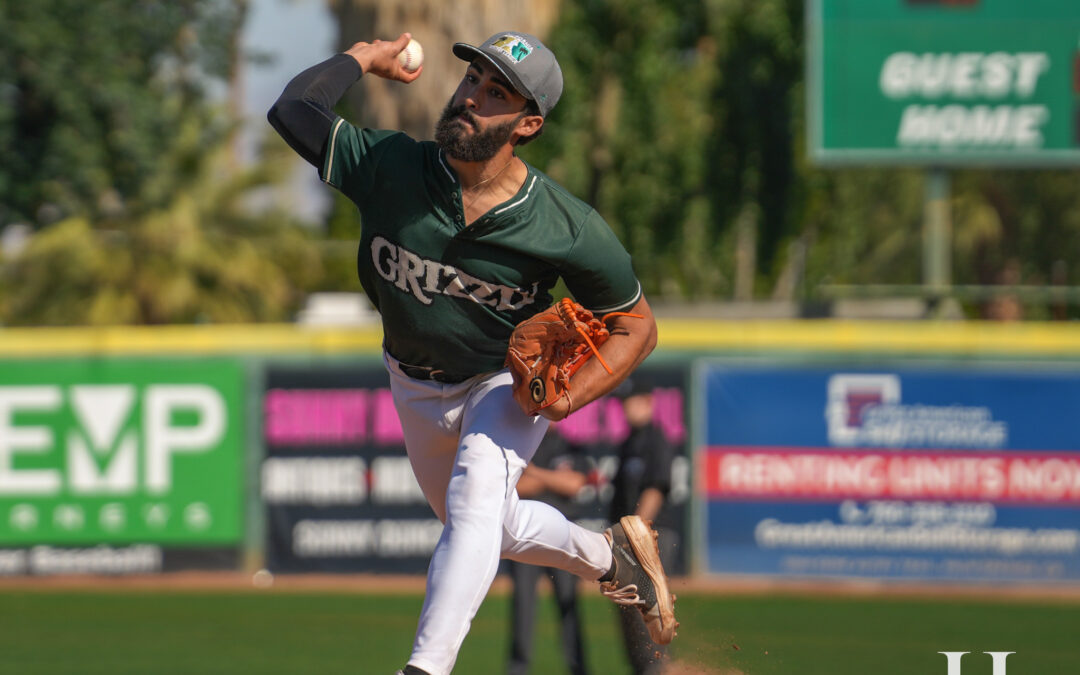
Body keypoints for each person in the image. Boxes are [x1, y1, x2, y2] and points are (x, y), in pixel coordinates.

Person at [268, 31, 675, 675]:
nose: (470, 99)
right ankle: (609, 557)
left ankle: (425, 667)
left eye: (496, 93)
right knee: (485, 524)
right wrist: (361, 59)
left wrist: (570, 394)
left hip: (499, 383)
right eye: (471, 81)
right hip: (412, 380)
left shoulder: (564, 226)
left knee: (475, 499)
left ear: (528, 123)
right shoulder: (394, 167)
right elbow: (293, 110)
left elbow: (638, 326)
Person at [507, 431, 591, 675]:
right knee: (523, 605)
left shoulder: (569, 445)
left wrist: (535, 473)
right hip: (524, 539)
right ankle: (517, 669)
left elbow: (574, 484)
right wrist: (555, 480)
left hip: (563, 540)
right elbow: (517, 487)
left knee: (568, 605)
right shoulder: (522, 442)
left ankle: (579, 669)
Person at [609, 377, 677, 675]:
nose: (626, 408)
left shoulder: (656, 439)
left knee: (648, 611)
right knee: (628, 610)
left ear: (648, 402)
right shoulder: (628, 442)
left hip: (651, 539)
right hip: (628, 542)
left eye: (632, 401)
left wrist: (638, 535)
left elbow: (656, 488)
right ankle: (643, 669)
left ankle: (655, 669)